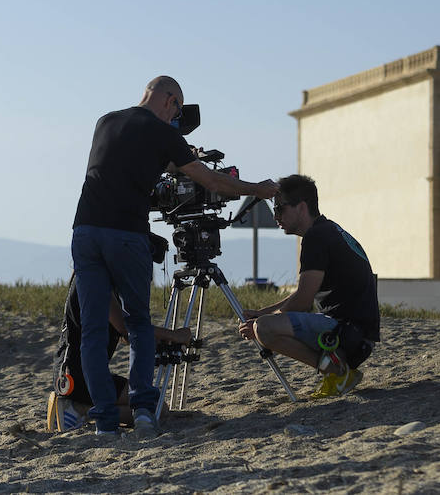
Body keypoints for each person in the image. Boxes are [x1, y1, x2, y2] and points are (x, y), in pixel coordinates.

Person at [72, 75, 278, 439]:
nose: (175, 119)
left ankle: (105, 423)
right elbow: (212, 183)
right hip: (125, 235)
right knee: (137, 325)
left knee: (92, 330)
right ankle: (144, 413)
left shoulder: (106, 121)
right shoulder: (165, 134)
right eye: (176, 111)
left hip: (85, 232)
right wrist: (256, 189)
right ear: (171, 102)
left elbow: (129, 163)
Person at [238, 174, 380, 398]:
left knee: (264, 329)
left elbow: (303, 302)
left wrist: (261, 322)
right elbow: (303, 293)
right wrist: (262, 312)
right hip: (358, 334)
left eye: (280, 209)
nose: (276, 216)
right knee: (264, 323)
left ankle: (337, 371)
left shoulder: (316, 237)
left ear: (302, 207)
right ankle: (336, 370)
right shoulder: (328, 230)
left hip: (349, 334)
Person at [49, 235, 193, 431]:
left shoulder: (88, 277)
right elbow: (126, 327)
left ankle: (78, 407)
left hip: (67, 375)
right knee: (158, 409)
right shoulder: (99, 284)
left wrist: (154, 338)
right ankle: (81, 410)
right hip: (79, 378)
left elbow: (126, 335)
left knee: (153, 405)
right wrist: (173, 335)